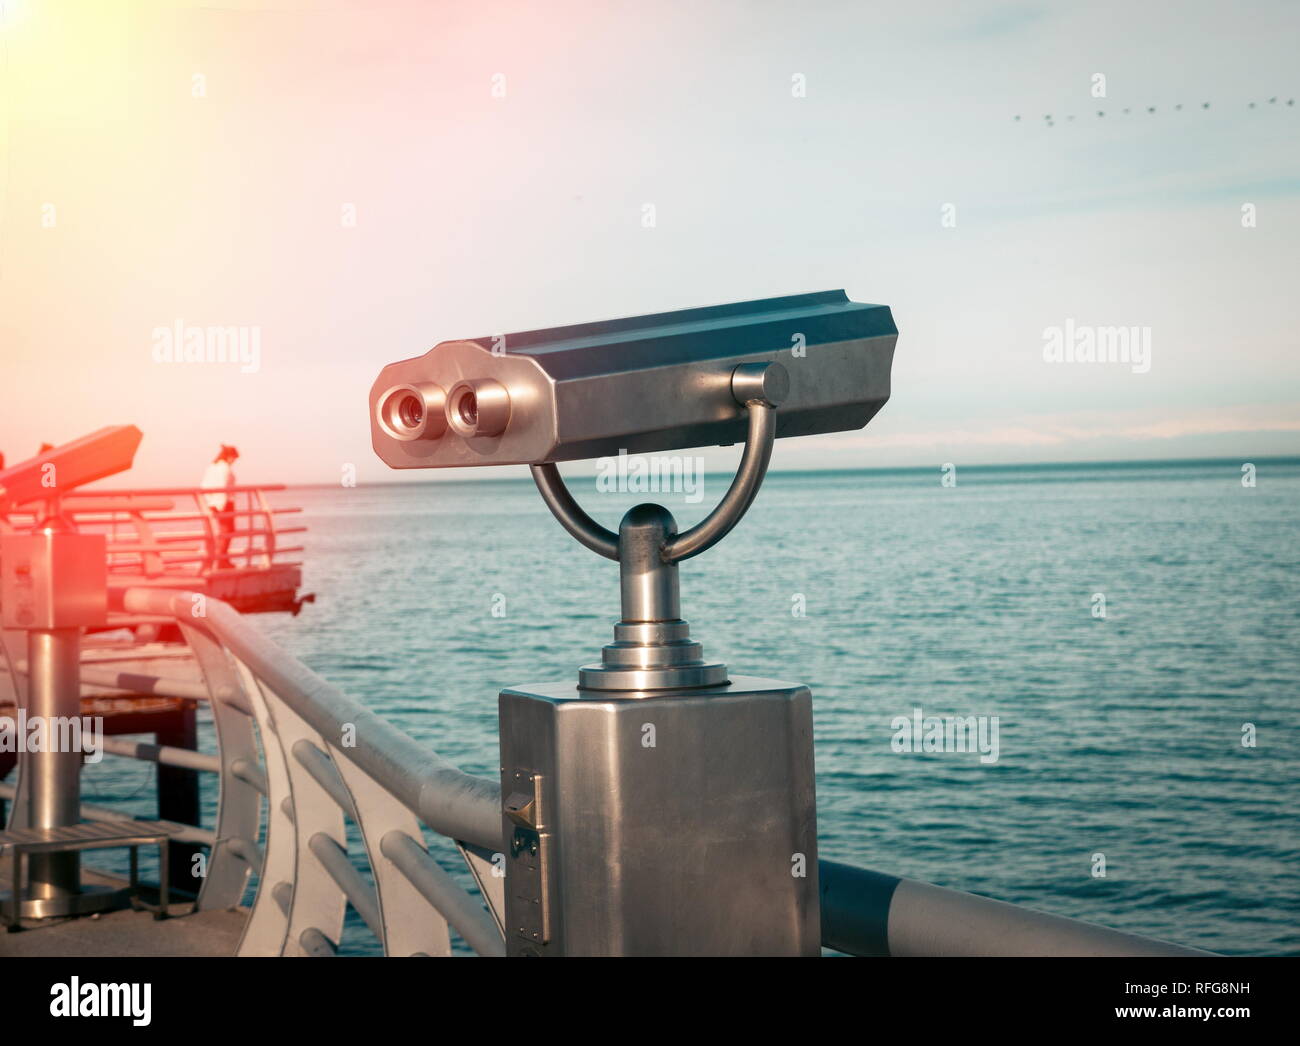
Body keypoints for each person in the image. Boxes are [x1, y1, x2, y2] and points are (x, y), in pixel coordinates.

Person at [201, 445, 239, 570]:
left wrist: (210, 501)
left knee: (223, 532)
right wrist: (221, 504)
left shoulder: (212, 467)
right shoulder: (225, 468)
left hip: (213, 502)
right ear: (229, 457)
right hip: (225, 503)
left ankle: (220, 559)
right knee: (227, 531)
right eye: (234, 458)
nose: (234, 461)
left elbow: (204, 486)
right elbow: (223, 486)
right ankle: (222, 560)